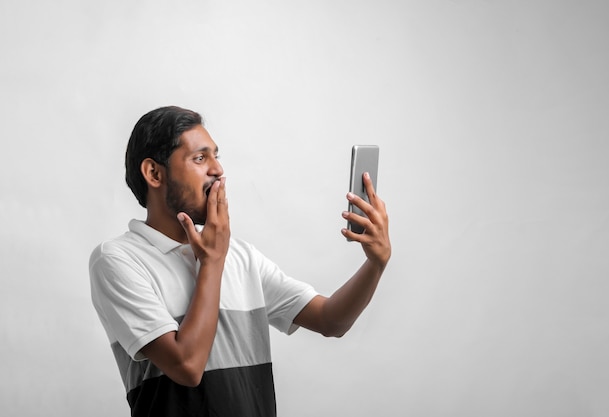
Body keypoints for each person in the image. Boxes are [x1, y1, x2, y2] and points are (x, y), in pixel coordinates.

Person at [89, 106, 391, 417]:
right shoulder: (117, 260)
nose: (218, 170)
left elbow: (331, 320)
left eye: (216, 156)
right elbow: (187, 366)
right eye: (200, 158)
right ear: (154, 173)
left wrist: (376, 264)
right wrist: (212, 263)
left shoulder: (240, 256)